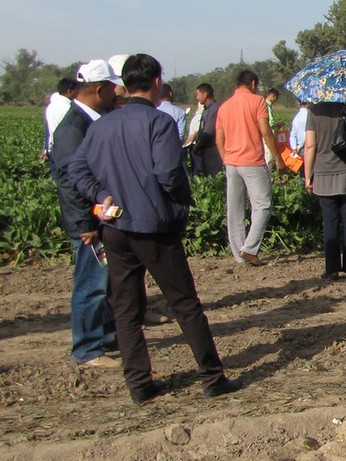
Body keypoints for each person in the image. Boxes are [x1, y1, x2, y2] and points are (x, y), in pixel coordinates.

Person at [66, 54, 241, 404]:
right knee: (185, 304)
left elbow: (76, 169)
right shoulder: (159, 123)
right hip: (154, 227)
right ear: (157, 82)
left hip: (115, 227)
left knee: (126, 308)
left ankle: (140, 384)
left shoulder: (102, 124)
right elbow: (168, 174)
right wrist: (180, 204)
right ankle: (212, 376)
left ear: (124, 86)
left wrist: (102, 196)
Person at [52, 60, 119, 369]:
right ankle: (88, 348)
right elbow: (70, 181)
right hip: (88, 222)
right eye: (112, 88)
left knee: (103, 280)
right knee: (90, 284)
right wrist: (85, 224)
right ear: (99, 89)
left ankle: (105, 337)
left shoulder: (90, 120)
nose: (116, 92)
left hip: (98, 217)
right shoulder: (73, 127)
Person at [216, 70, 288, 265]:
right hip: (252, 161)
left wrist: (226, 158)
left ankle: (240, 255)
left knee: (235, 209)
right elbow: (265, 131)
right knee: (263, 205)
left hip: (231, 162)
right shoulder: (258, 102)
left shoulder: (225, 106)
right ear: (254, 83)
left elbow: (219, 138)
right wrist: (278, 158)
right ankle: (250, 248)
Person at [302, 99, 346, 280]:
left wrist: (308, 175)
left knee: (330, 223)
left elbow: (310, 145)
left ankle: (332, 269)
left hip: (323, 173)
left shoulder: (314, 111)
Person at [41, 77, 78, 179]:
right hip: (66, 149)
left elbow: (48, 130)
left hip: (53, 148)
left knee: (58, 180)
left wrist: (46, 149)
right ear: (70, 91)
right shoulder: (69, 108)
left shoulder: (51, 106)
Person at [191, 84, 223, 176]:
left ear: (205, 94)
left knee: (214, 177)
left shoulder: (214, 109)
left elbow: (208, 133)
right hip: (205, 150)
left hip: (212, 151)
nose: (197, 98)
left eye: (198, 95)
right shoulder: (206, 110)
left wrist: (196, 147)